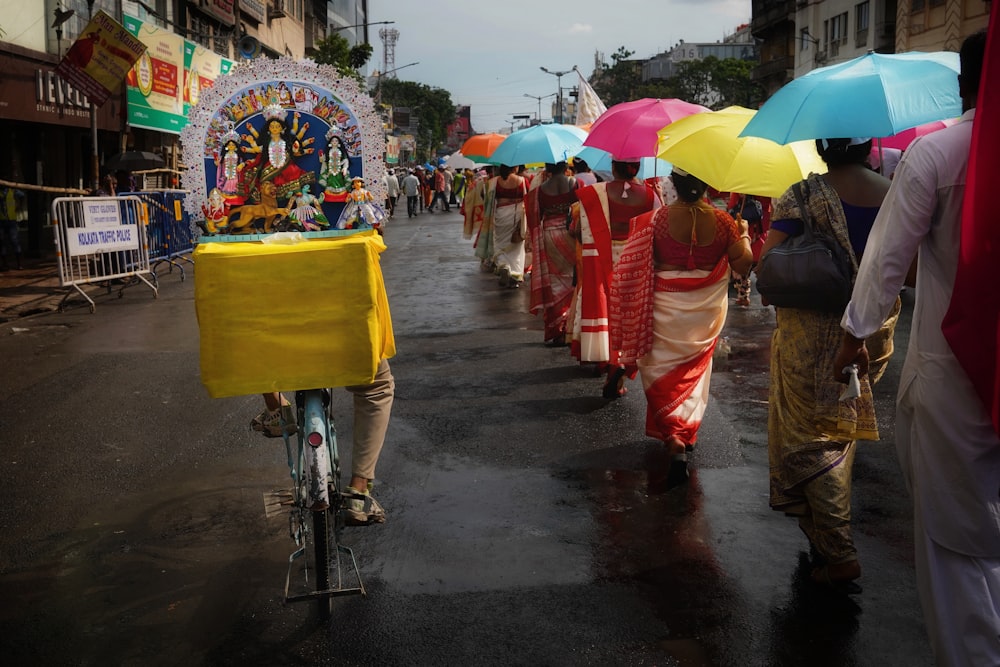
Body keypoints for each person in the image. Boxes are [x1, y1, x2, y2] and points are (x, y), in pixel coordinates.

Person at [833, 31, 999, 664]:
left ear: (961, 86)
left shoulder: (935, 155)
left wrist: (855, 332)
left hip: (953, 373)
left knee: (956, 539)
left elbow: (886, 259)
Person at [763, 136, 899, 594]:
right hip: (870, 329)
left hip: (807, 334)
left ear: (822, 147)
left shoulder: (799, 195)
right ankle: (826, 539)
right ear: (867, 148)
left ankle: (838, 551)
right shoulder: (896, 195)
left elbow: (768, 266)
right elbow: (913, 271)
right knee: (840, 427)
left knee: (810, 437)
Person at [611, 167, 753, 485]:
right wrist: (743, 233)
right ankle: (683, 431)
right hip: (704, 313)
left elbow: (631, 269)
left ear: (673, 184)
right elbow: (743, 266)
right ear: (705, 185)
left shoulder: (656, 221)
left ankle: (672, 434)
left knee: (658, 367)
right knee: (695, 373)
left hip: (662, 308)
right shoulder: (723, 222)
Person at [251, 359, 395, 526]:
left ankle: (276, 406)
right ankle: (359, 488)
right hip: (343, 347)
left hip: (281, 351)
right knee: (378, 386)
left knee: (252, 342)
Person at [573, 159, 661, 398]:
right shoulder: (651, 196)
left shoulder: (595, 194)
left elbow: (578, 230)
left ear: (613, 167)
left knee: (607, 313)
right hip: (635, 262)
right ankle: (619, 366)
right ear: (637, 168)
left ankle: (605, 358)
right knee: (631, 316)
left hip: (601, 259)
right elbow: (657, 232)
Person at [524, 161, 579, 346]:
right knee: (574, 280)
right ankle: (572, 326)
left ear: (547, 169)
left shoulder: (540, 190)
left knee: (555, 282)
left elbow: (535, 218)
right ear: (565, 167)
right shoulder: (575, 183)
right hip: (571, 236)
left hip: (550, 236)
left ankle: (558, 329)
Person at [242, 104, 315, 203]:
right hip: (270, 166)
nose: (275, 128)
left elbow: (293, 151)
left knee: (292, 171)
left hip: (285, 163)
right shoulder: (267, 141)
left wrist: (295, 148)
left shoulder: (286, 140)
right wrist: (252, 142)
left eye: (277, 126)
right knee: (265, 180)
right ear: (268, 128)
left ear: (282, 128)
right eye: (272, 126)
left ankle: (295, 190)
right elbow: (259, 150)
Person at [482, 164, 528, 287]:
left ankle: (503, 265)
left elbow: (484, 195)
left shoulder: (493, 182)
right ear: (514, 167)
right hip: (517, 216)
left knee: (500, 243)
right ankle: (515, 274)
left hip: (500, 215)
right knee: (516, 245)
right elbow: (529, 196)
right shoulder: (522, 181)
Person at [727, 192, 771, 307]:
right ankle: (765, 295)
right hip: (760, 235)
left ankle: (743, 296)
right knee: (762, 270)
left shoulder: (740, 187)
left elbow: (732, 206)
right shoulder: (766, 191)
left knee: (741, 271)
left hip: (745, 234)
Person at [0, 185, 25, 271]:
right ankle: (5, 264)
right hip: (1, 221)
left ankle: (19, 264)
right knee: (2, 242)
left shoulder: (13, 191)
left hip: (11, 220)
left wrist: (19, 206)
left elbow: (22, 195)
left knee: (14, 241)